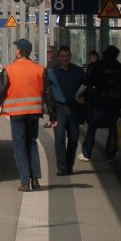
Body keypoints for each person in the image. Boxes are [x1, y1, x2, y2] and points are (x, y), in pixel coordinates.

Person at [0, 38, 57, 191]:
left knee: (20, 147)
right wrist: (53, 115)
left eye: (16, 49)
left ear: (19, 51)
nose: (15, 51)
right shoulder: (40, 69)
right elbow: (48, 94)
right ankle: (35, 179)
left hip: (17, 114)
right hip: (33, 113)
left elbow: (0, 92)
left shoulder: (10, 70)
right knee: (32, 144)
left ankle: (25, 182)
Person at [49, 45, 88, 175]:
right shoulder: (52, 72)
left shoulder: (78, 71)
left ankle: (69, 165)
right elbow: (47, 92)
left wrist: (83, 98)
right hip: (59, 108)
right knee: (59, 139)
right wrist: (50, 112)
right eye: (62, 56)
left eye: (67, 56)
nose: (65, 58)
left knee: (73, 138)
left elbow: (87, 87)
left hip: (74, 109)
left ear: (70, 57)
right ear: (58, 57)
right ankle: (61, 167)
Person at [87, 45, 121, 162]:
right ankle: (110, 155)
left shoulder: (98, 66)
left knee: (92, 127)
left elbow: (90, 82)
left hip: (99, 102)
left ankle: (87, 153)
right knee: (112, 129)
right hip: (115, 103)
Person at [79, 50, 101, 161]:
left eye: (94, 56)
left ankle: (86, 151)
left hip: (93, 101)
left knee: (92, 127)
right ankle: (111, 154)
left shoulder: (94, 69)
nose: (93, 58)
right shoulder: (91, 67)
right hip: (98, 101)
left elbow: (87, 82)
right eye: (91, 56)